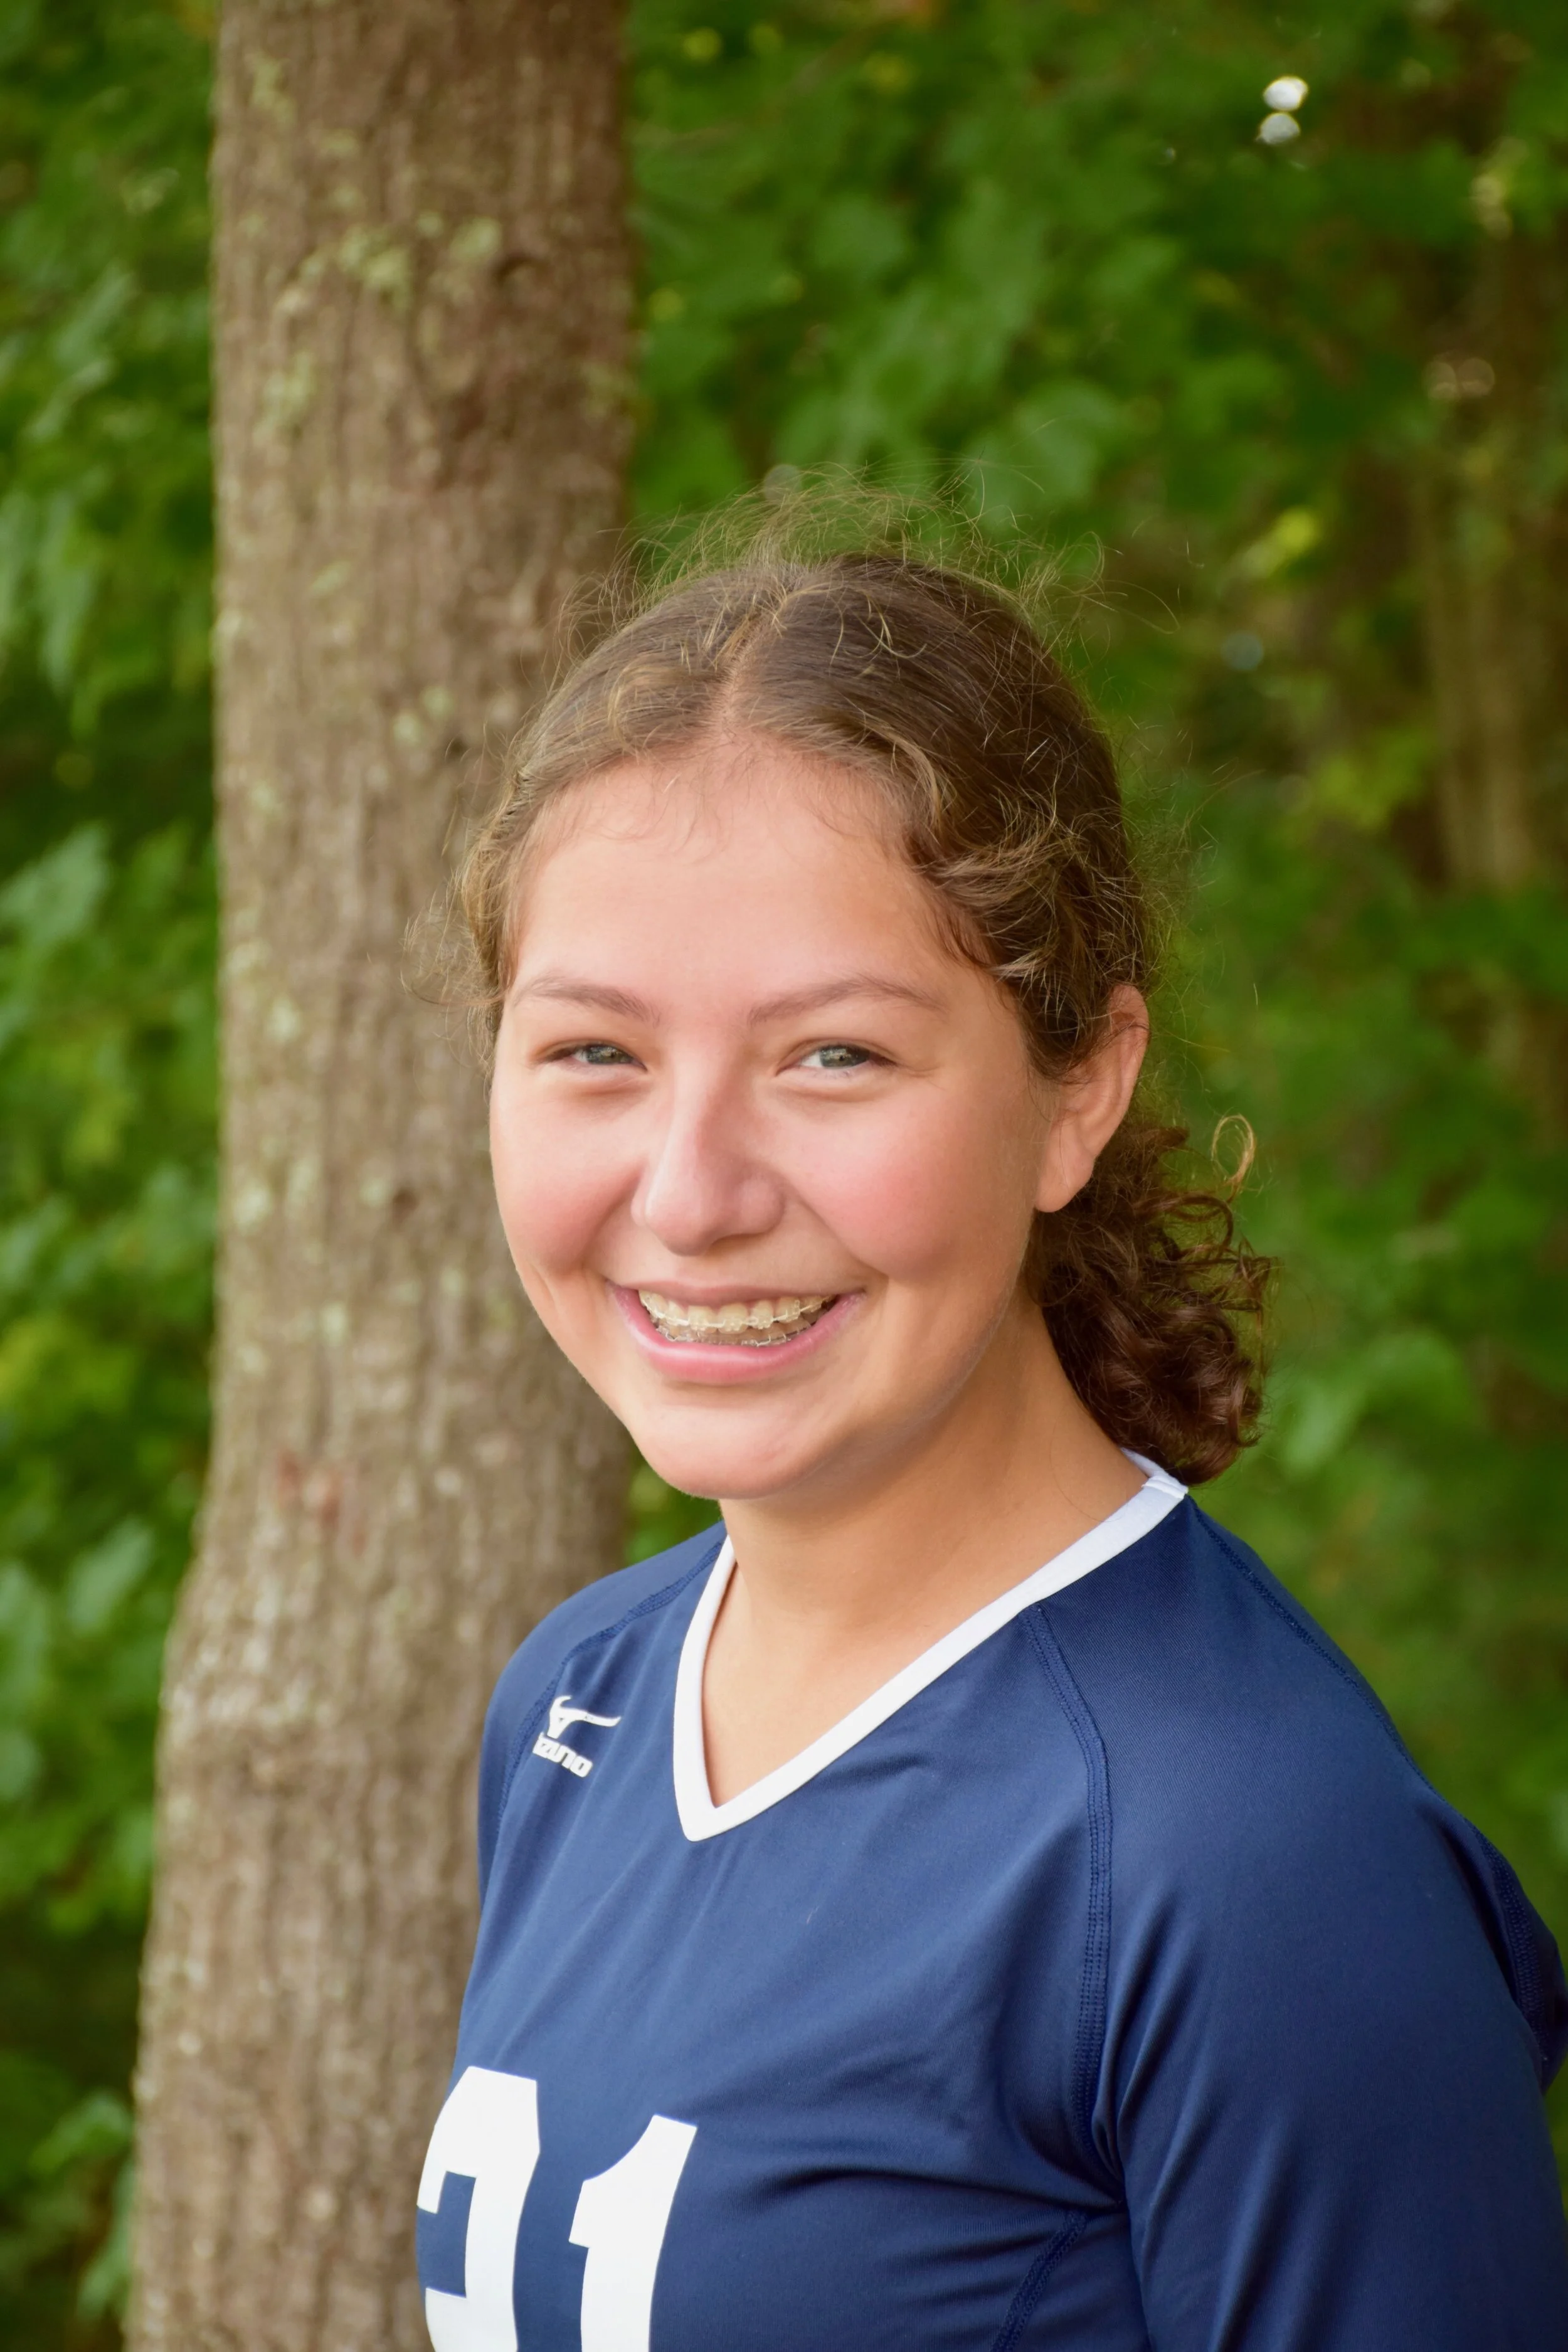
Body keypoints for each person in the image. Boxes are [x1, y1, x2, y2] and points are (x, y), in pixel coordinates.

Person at [415, 537, 1568, 2352]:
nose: (692, 1192)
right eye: (593, 1053)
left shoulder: (1244, 1860)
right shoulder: (580, 1696)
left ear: (1076, 1090)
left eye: (834, 1058)